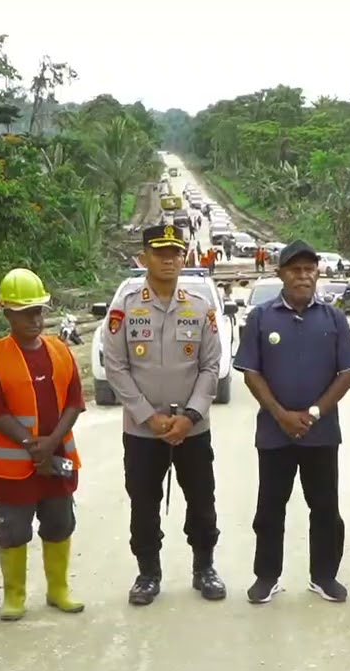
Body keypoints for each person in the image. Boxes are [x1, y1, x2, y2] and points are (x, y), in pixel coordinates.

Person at [102, 223, 227, 606]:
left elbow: (211, 366)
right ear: (144, 258)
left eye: (176, 252)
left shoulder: (201, 308)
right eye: (160, 252)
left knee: (203, 502)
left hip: (192, 429)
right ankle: (147, 573)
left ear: (184, 256)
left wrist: (190, 416)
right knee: (143, 503)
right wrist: (147, 416)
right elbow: (116, 366)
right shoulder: (124, 307)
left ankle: (204, 567)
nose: (169, 259)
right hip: (143, 432)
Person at [234, 240, 350, 605]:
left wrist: (314, 413)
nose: (303, 276)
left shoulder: (333, 317)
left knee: (325, 508)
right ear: (281, 274)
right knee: (270, 508)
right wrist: (281, 414)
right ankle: (266, 576)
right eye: (295, 270)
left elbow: (347, 373)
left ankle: (324, 576)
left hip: (321, 434)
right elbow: (251, 373)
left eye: (309, 269)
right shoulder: (261, 317)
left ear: (317, 273)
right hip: (275, 434)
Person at [0, 269, 86, 621]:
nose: (35, 319)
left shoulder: (60, 350)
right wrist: (29, 444)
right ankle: (15, 596)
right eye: (26, 312)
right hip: (13, 468)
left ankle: (58, 589)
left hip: (56, 460)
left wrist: (50, 444)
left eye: (39, 310)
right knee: (13, 528)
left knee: (59, 522)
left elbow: (74, 402)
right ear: (6, 312)